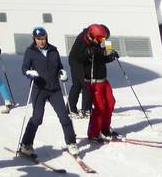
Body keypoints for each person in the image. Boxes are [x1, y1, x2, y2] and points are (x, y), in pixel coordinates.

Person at [17, 27, 79, 159]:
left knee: (64, 116)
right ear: (34, 39)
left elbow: (59, 67)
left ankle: (71, 142)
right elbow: (24, 68)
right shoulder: (30, 51)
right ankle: (26, 145)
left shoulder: (53, 50)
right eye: (38, 39)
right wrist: (29, 73)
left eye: (43, 38)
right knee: (37, 118)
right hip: (39, 89)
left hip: (55, 89)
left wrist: (62, 73)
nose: (41, 41)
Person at [83, 23, 120, 143]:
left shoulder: (101, 43)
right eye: (101, 38)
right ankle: (93, 133)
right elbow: (85, 57)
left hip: (103, 79)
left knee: (110, 103)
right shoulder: (86, 44)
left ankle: (105, 129)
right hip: (93, 81)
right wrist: (94, 52)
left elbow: (103, 58)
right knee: (100, 107)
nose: (103, 40)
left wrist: (111, 55)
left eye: (105, 38)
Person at [67, 27, 94, 118]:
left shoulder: (90, 36)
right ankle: (85, 109)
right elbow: (79, 55)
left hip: (80, 62)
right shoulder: (85, 37)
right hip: (77, 62)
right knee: (85, 84)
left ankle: (70, 108)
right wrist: (88, 52)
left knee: (78, 85)